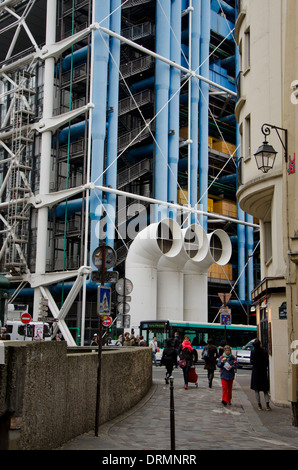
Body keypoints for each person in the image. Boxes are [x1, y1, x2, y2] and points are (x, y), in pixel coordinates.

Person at [250, 339, 271, 411]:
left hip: (256, 372)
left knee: (256, 390)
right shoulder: (264, 352)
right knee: (265, 390)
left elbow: (251, 362)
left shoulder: (253, 352)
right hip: (263, 372)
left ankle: (259, 405)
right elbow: (267, 363)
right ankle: (267, 405)